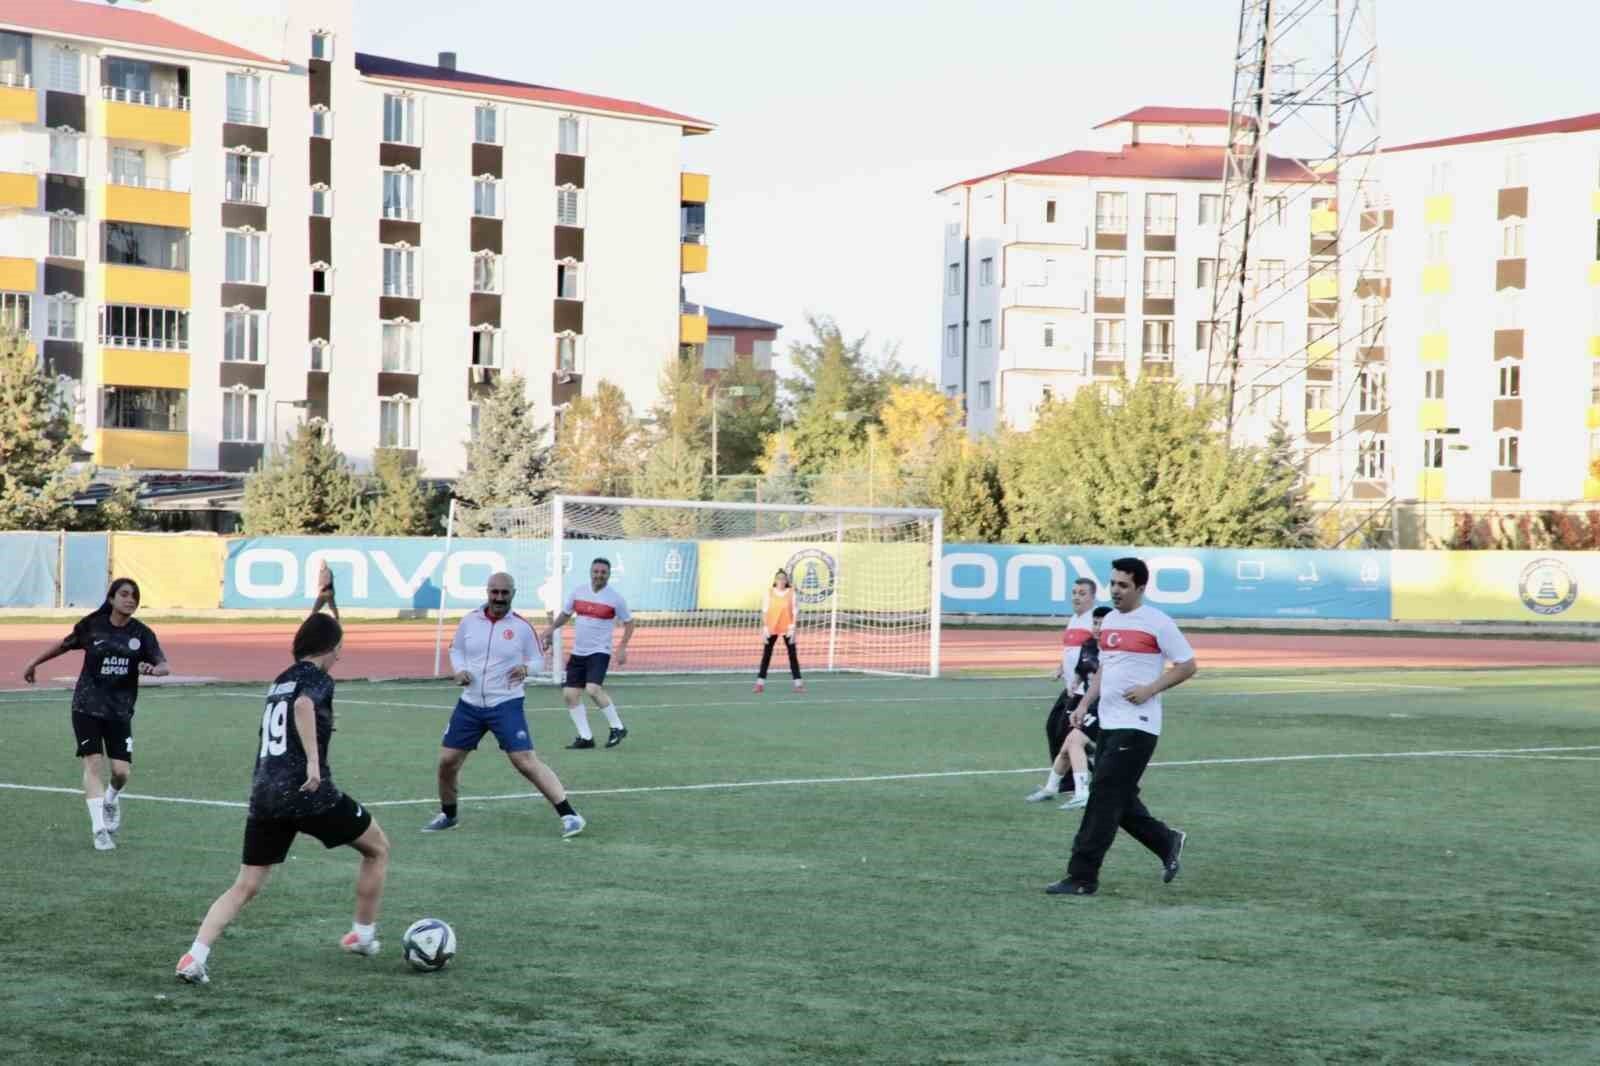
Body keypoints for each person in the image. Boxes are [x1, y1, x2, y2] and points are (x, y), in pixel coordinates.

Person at [175, 610, 390, 985]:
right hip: (308, 794)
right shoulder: (316, 677)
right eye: (339, 647)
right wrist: (313, 764)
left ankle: (195, 955)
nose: (340, 655)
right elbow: (303, 706)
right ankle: (362, 935)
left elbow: (286, 721)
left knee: (245, 885)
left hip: (265, 794)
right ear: (329, 646)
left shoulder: (280, 680)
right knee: (377, 848)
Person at [1046, 557, 1196, 897]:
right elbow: (1104, 668)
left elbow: (1187, 665)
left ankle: (1082, 876)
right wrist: (1084, 704)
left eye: (1123, 585)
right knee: (1116, 796)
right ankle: (1167, 841)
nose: (1115, 590)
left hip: (1138, 726)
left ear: (1140, 588)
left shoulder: (1157, 622)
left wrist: (1150, 689)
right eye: (1113, 583)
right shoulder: (1111, 620)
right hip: (1108, 723)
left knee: (1102, 798)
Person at [422, 572, 586, 838]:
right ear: (487, 592)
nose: (499, 597)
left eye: (504, 593)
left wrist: (525, 668)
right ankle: (448, 815)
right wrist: (460, 670)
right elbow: (456, 649)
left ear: (513, 593)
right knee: (447, 761)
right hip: (470, 704)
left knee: (525, 762)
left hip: (505, 703)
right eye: (494, 592)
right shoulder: (469, 621)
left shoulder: (522, 627)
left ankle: (570, 815)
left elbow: (537, 660)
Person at [21, 578, 170, 851]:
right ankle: (99, 830)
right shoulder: (92, 625)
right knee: (93, 764)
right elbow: (64, 645)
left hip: (120, 711)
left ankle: (111, 798)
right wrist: (33, 662)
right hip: (86, 706)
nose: (130, 600)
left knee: (121, 772)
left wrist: (154, 670)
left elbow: (164, 665)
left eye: (134, 596)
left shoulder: (142, 634)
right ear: (111, 598)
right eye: (124, 594)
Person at [542, 557, 634, 749]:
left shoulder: (615, 598)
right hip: (578, 652)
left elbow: (629, 623)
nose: (599, 575)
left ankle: (617, 727)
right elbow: (566, 614)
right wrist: (551, 629)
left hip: (599, 651)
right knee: (570, 694)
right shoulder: (578, 592)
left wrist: (622, 647)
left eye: (603, 572)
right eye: (596, 571)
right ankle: (586, 738)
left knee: (592, 689)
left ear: (609, 574)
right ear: (590, 572)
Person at [1028, 605, 1112, 809]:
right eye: (1095, 623)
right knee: (1067, 744)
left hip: (1105, 707)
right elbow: (1081, 670)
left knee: (1074, 740)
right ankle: (1051, 788)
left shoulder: (1113, 651)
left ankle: (1082, 793)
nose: (1097, 627)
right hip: (1087, 704)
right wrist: (1075, 682)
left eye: (1102, 623)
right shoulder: (1089, 645)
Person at [754, 568, 804, 694]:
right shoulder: (769, 593)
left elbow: (795, 611)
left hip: (788, 628)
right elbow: (765, 611)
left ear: (787, 581)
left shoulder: (792, 593)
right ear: (775, 581)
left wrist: (793, 627)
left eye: (783, 578)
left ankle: (798, 684)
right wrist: (765, 627)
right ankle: (760, 683)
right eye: (779, 578)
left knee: (792, 655)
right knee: (766, 655)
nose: (781, 581)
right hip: (772, 627)